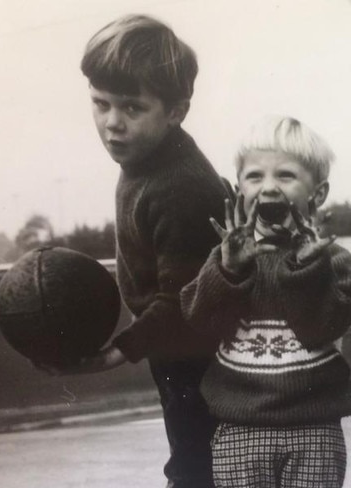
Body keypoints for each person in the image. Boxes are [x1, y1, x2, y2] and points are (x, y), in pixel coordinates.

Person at [47, 14, 228, 488]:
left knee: (197, 468)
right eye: (100, 103)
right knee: (191, 459)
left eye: (131, 107)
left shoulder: (181, 188)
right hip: (175, 354)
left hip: (204, 360)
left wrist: (113, 353)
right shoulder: (144, 158)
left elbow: (183, 302)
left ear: (176, 111)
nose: (112, 124)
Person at [180, 116, 351, 488]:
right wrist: (229, 271)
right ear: (238, 190)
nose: (269, 187)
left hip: (315, 428)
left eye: (286, 175)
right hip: (239, 428)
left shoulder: (334, 259)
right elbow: (199, 320)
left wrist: (307, 266)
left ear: (319, 193)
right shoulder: (226, 256)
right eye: (255, 176)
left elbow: (322, 327)